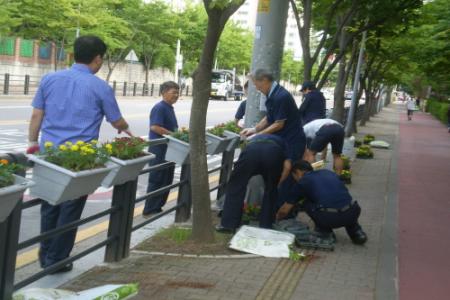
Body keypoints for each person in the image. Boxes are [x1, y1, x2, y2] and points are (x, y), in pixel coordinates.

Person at [27, 35, 131, 273]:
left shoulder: (49, 79)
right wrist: (125, 128)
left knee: (50, 205)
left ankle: (46, 256)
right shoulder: (100, 87)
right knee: (70, 209)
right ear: (97, 58)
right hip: (80, 160)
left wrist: (33, 143)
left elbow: (36, 116)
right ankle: (57, 259)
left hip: (49, 156)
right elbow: (116, 120)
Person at [276, 160, 367, 245]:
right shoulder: (328, 173)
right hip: (353, 212)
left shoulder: (302, 182)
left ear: (298, 173)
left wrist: (276, 219)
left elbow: (284, 210)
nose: (295, 179)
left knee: (306, 203)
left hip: (329, 218)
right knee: (343, 202)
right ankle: (357, 232)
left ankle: (324, 232)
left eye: (293, 176)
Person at [216, 134, 292, 232]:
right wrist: (276, 183)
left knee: (236, 187)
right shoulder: (284, 142)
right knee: (270, 191)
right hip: (273, 154)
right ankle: (266, 225)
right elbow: (288, 167)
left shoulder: (254, 138)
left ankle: (228, 225)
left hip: (251, 153)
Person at [241, 69, 306, 163]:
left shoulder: (280, 97)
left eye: (256, 84)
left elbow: (279, 124)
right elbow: (269, 117)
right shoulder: (273, 94)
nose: (257, 88)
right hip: (285, 140)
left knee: (288, 171)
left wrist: (258, 135)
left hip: (291, 142)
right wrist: (254, 129)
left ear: (264, 80)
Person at [143, 81, 179, 216]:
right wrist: (174, 135)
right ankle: (149, 209)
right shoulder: (160, 107)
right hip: (159, 149)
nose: (176, 95)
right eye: (173, 92)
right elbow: (155, 127)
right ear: (163, 93)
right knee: (157, 179)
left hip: (169, 149)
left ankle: (157, 207)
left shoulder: (169, 107)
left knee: (166, 179)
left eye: (177, 92)